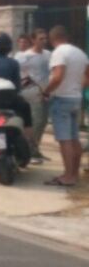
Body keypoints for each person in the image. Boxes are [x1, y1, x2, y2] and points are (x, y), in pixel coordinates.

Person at [41, 26, 89, 187]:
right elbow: (88, 76)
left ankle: (68, 176)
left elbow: (58, 77)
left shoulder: (59, 53)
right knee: (74, 138)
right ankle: (74, 174)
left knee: (64, 140)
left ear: (52, 39)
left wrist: (46, 92)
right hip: (75, 99)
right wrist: (77, 88)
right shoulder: (80, 53)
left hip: (61, 99)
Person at [13, 29, 51, 163]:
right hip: (31, 94)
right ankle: (30, 152)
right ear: (33, 40)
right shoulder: (24, 56)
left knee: (43, 122)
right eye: (41, 39)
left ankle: (35, 150)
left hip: (46, 93)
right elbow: (16, 73)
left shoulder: (48, 54)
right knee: (36, 122)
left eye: (45, 38)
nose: (44, 41)